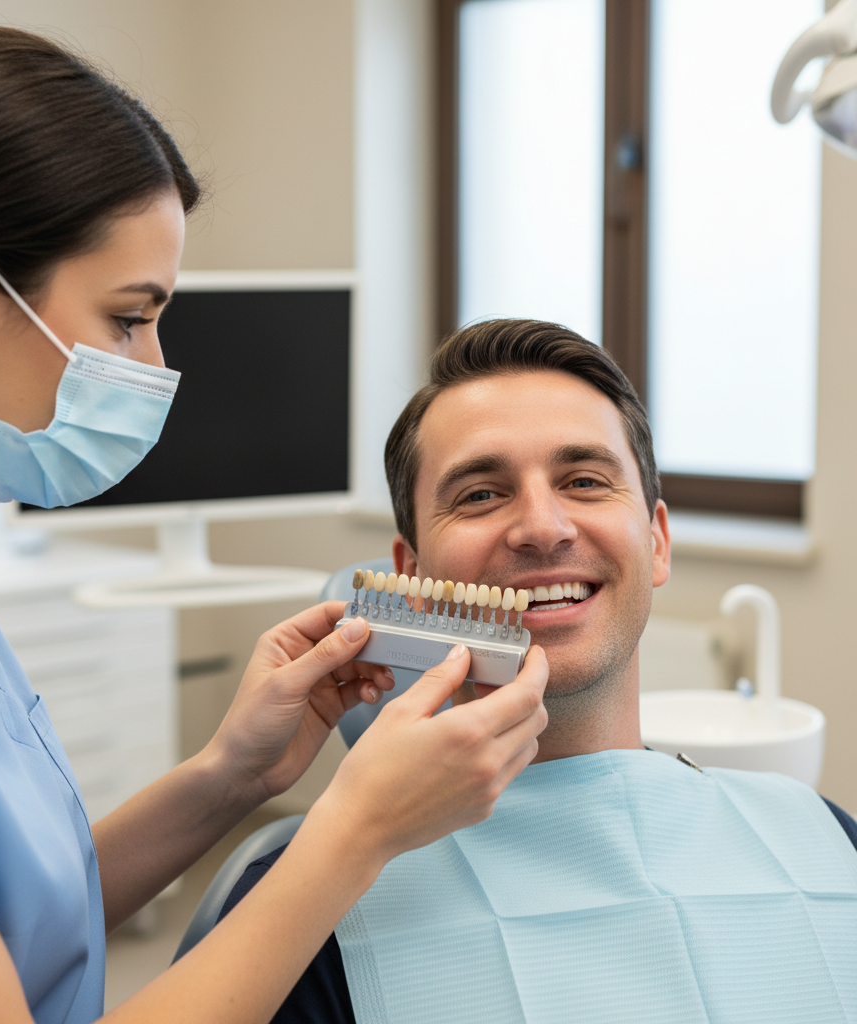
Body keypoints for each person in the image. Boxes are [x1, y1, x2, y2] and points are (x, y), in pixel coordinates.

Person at [0, 29, 552, 1024]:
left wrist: (229, 777)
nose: (157, 360)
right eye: (130, 316)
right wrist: (355, 832)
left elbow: (6, 920)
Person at [222, 318, 857, 1024]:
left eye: (584, 481)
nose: (543, 527)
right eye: (481, 495)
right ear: (413, 576)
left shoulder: (823, 838)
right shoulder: (306, 914)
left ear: (657, 541)